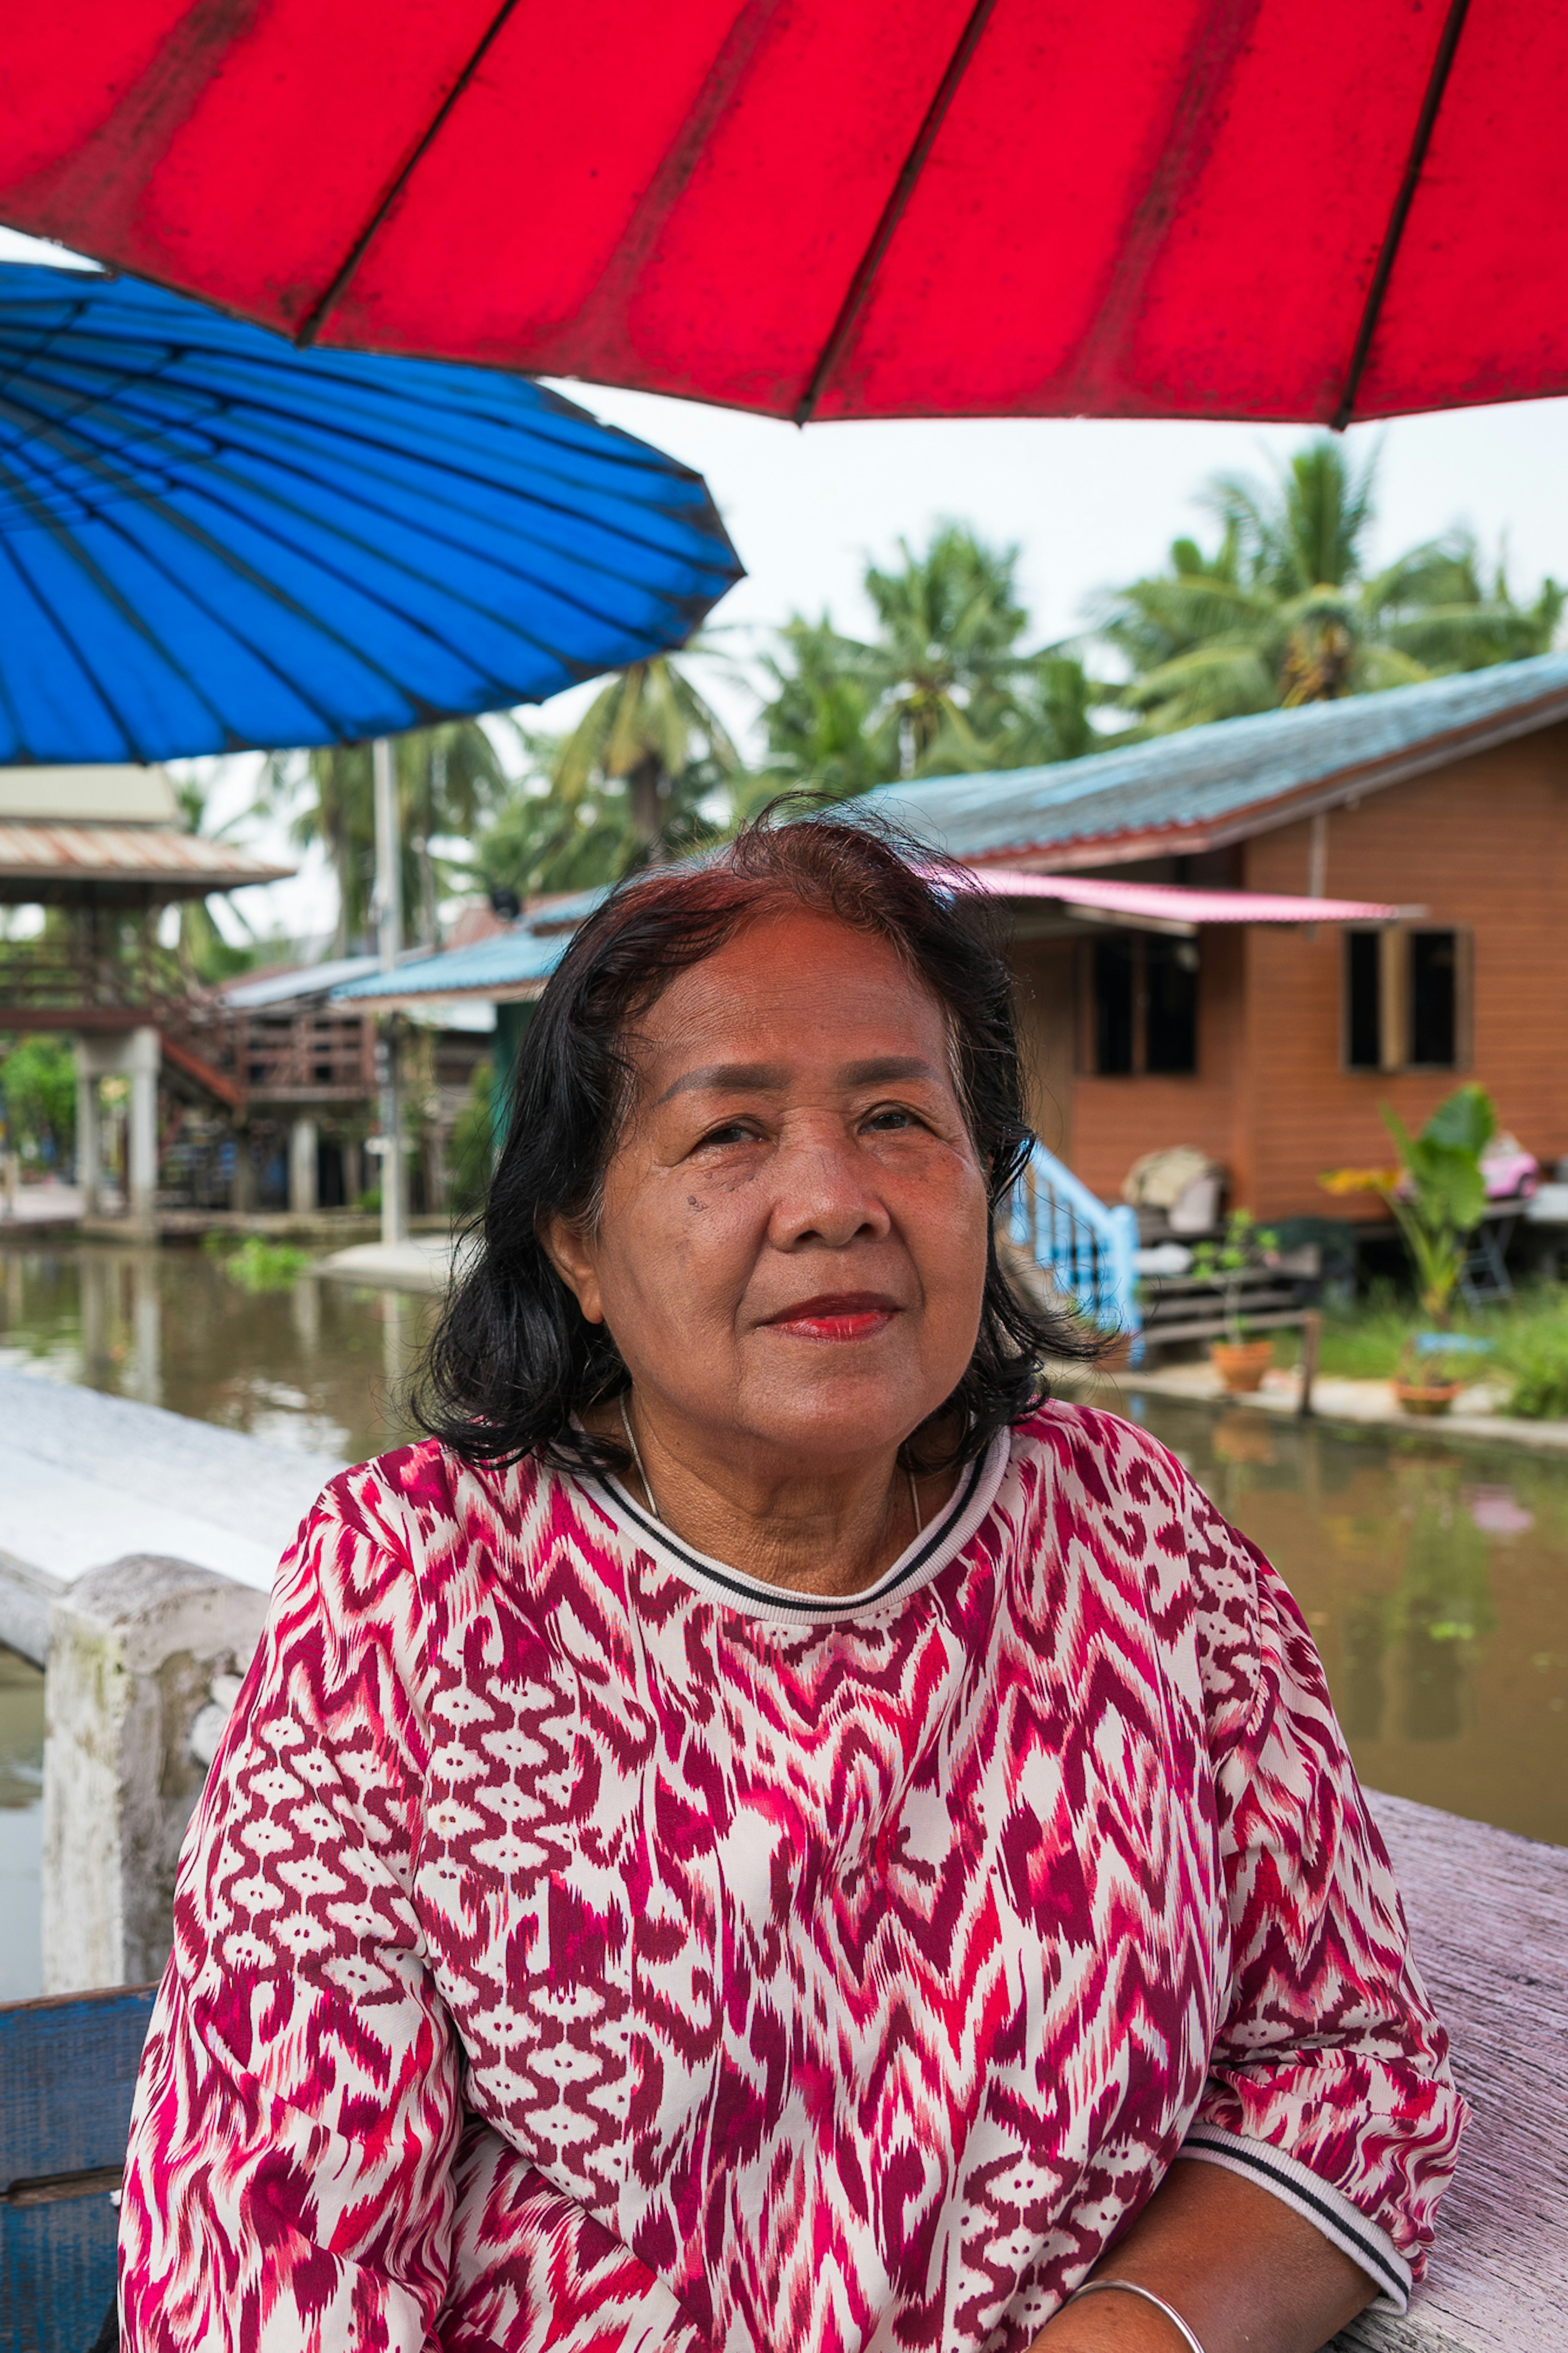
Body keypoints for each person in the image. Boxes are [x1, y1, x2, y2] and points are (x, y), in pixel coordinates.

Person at [118, 816, 1463, 2353]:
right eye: (729, 1132)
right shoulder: (413, 1590)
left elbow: (1355, 2065)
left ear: (984, 1182)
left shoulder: (1133, 1536)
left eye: (898, 1115)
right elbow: (262, 2257)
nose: (835, 1197)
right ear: (579, 1244)